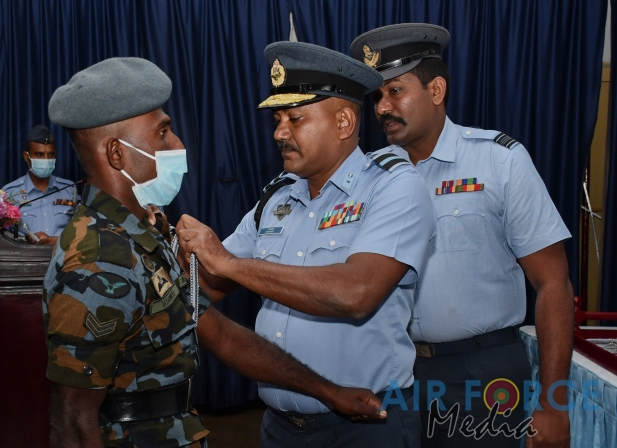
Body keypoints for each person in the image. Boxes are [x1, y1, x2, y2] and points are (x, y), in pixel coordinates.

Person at [43, 57, 387, 448]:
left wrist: (328, 391)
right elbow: (72, 422)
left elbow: (219, 334)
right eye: (163, 133)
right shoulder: (97, 256)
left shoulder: (141, 237)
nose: (178, 145)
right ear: (117, 154)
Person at [176, 42, 434, 447]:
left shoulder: (393, 188)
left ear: (344, 122)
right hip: (280, 428)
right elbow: (203, 287)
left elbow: (356, 293)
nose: (279, 133)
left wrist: (229, 264)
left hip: (366, 427)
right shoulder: (276, 197)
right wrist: (172, 248)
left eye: (295, 119)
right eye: (278, 120)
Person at [351, 23, 573, 448]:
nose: (382, 108)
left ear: (436, 90)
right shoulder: (368, 175)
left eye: (395, 91)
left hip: (481, 373)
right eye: (377, 96)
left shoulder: (500, 161)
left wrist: (552, 404)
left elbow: (554, 284)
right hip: (392, 372)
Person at [2, 125, 77, 244]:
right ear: (26, 157)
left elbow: (82, 233)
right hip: (25, 254)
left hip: (62, 254)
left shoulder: (69, 190)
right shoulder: (10, 192)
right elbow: (4, 237)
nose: (46, 160)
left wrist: (52, 241)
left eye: (50, 155)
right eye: (39, 154)